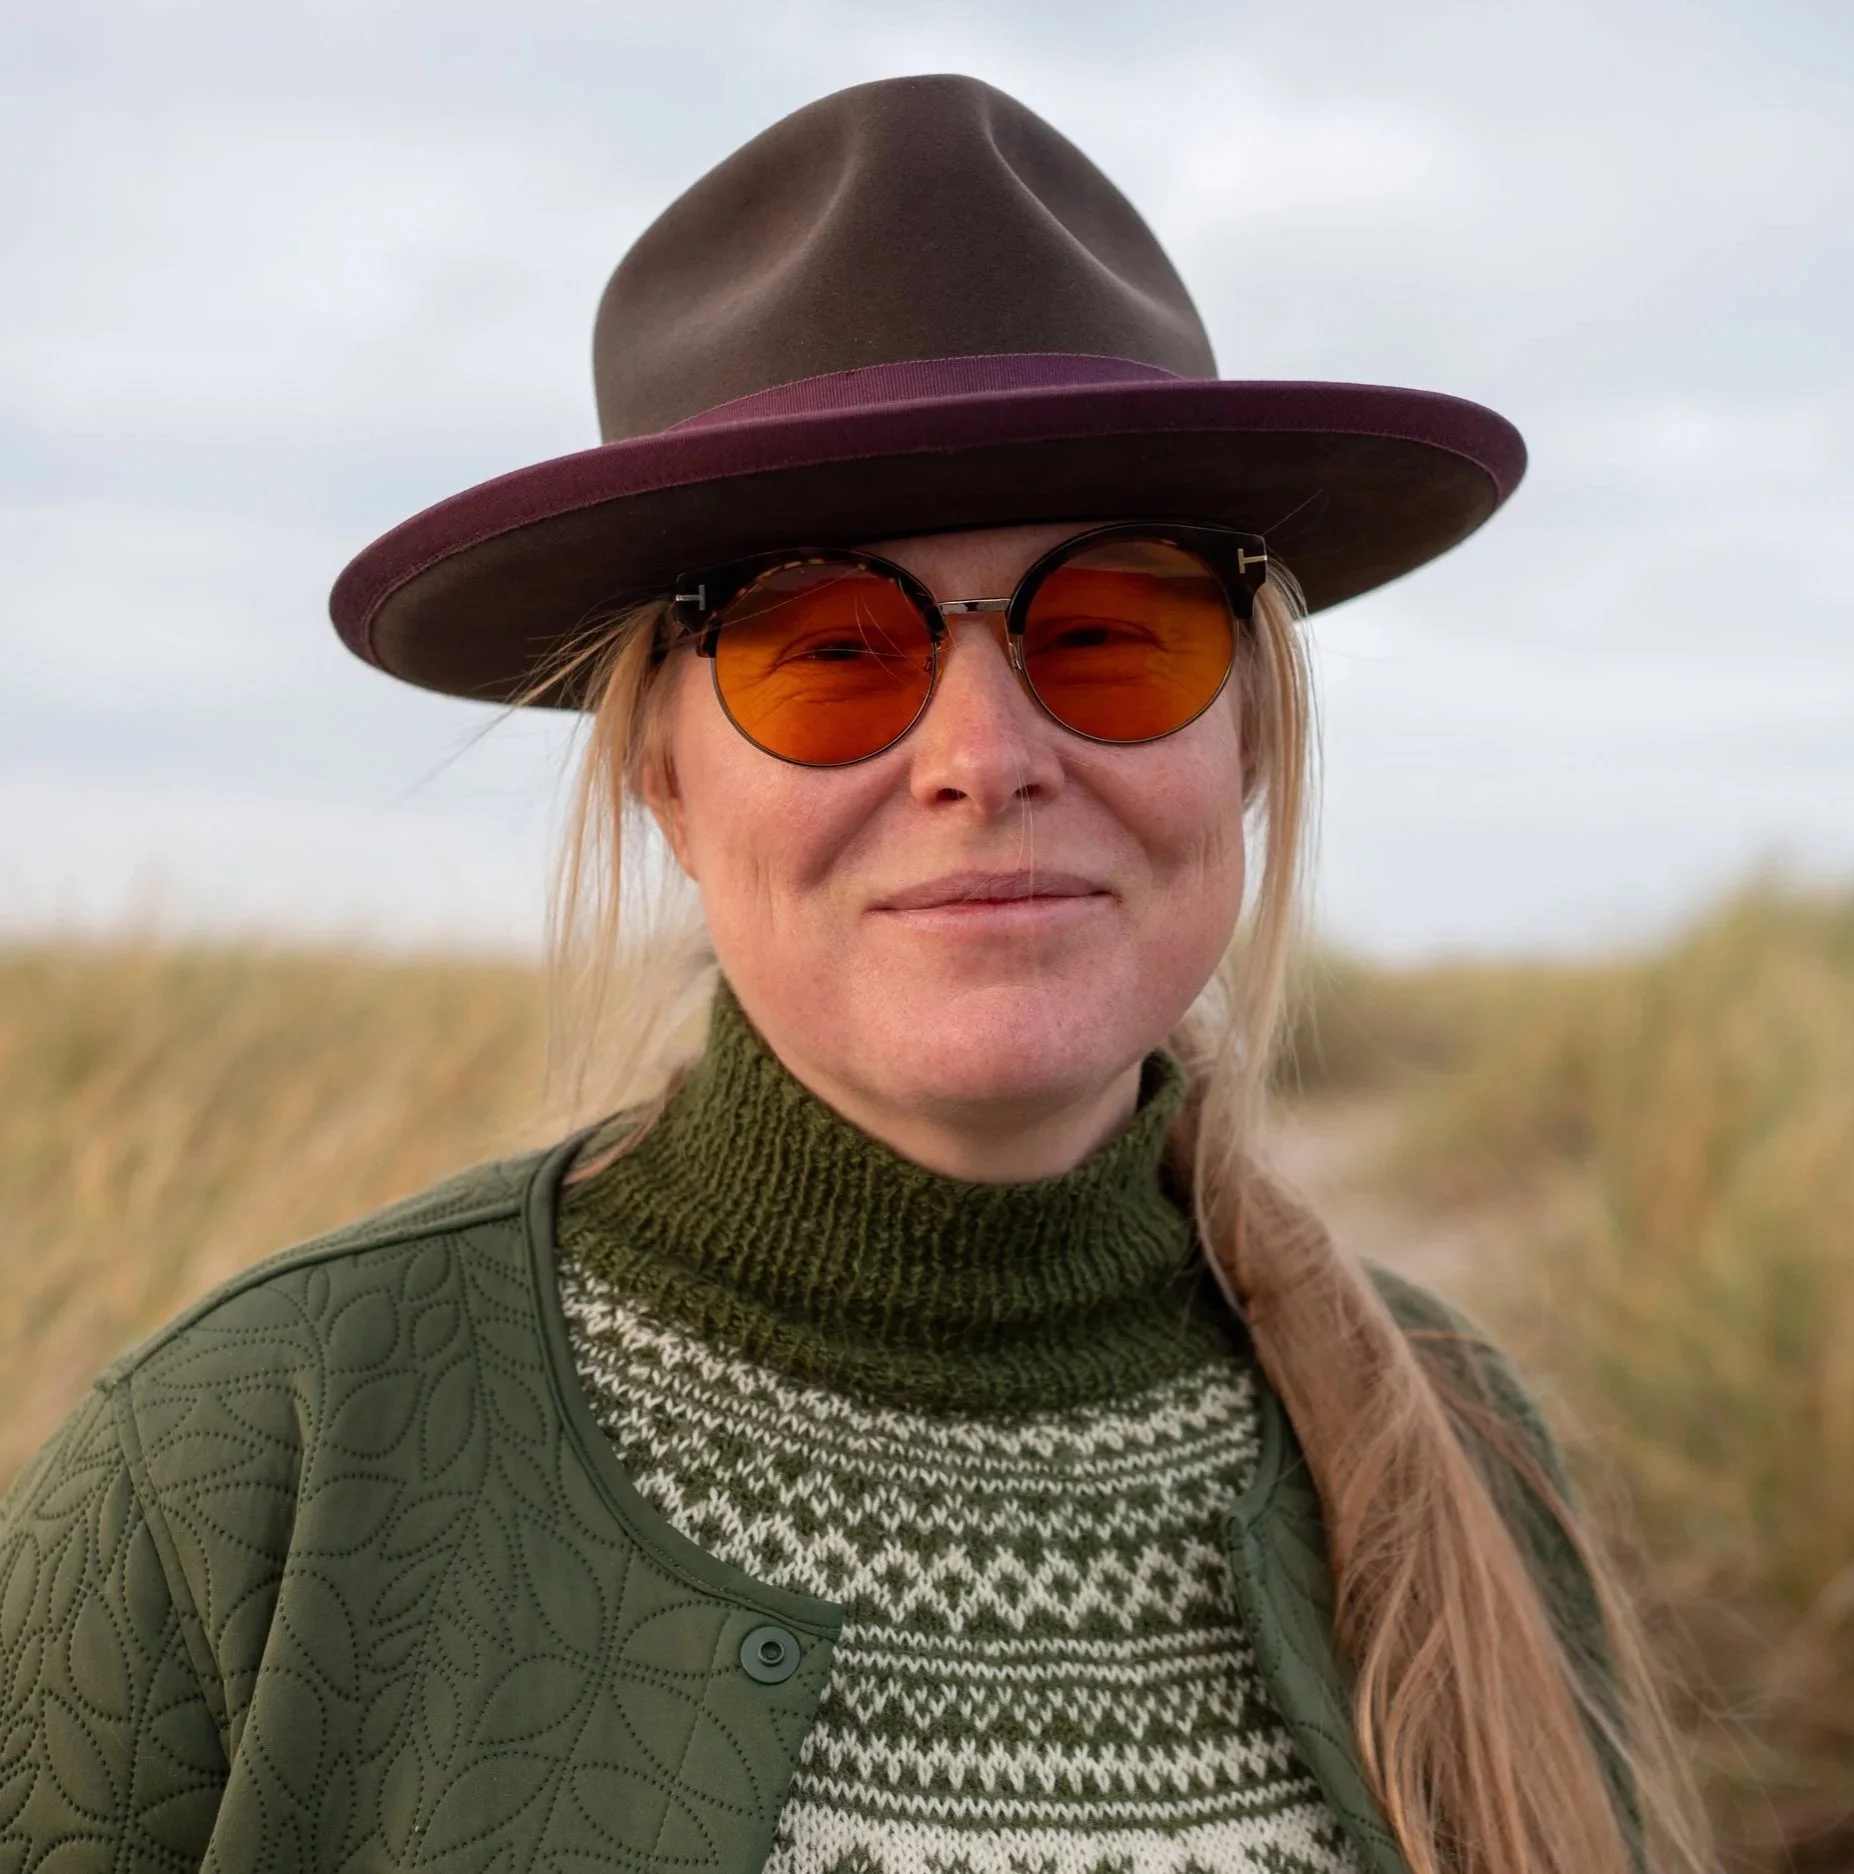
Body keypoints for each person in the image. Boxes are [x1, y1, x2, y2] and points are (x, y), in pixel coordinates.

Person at [0, 74, 1703, 1874]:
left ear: (1249, 739)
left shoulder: (1464, 1450)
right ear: (663, 773)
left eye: (1111, 633)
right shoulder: (241, 1465)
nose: (985, 756)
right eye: (825, 649)